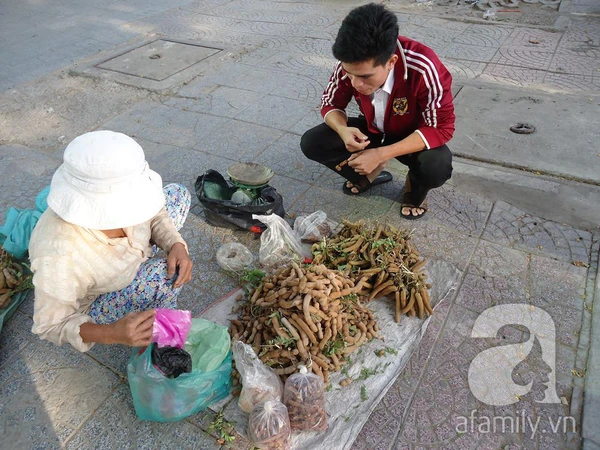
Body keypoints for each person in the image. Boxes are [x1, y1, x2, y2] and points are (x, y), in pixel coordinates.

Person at [29, 130, 193, 352]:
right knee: (161, 275)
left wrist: (176, 244)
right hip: (99, 297)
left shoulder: (132, 197)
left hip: (133, 255)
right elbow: (50, 325)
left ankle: (156, 313)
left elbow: (154, 211)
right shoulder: (60, 254)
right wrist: (112, 333)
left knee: (177, 194)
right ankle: (160, 332)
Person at [300, 3, 455, 219]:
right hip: (372, 131)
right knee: (312, 142)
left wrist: (382, 154)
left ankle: (414, 186)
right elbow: (330, 103)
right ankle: (370, 172)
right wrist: (344, 130)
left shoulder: (424, 66)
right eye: (349, 73)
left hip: (410, 137)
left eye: (365, 77)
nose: (355, 83)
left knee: (436, 167)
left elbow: (441, 127)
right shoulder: (351, 63)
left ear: (391, 62)